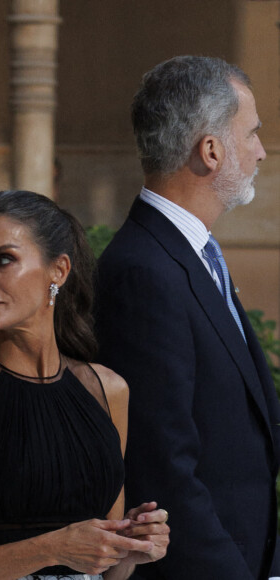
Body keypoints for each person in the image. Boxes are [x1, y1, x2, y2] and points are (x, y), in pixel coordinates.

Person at [0, 190, 169, 580]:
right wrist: (51, 547)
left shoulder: (108, 390)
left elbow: (110, 573)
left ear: (58, 270)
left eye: (3, 260)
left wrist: (131, 546)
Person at [95, 55, 280, 579]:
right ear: (212, 150)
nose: (262, 152)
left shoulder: (189, 254)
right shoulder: (144, 270)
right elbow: (162, 470)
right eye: (252, 134)